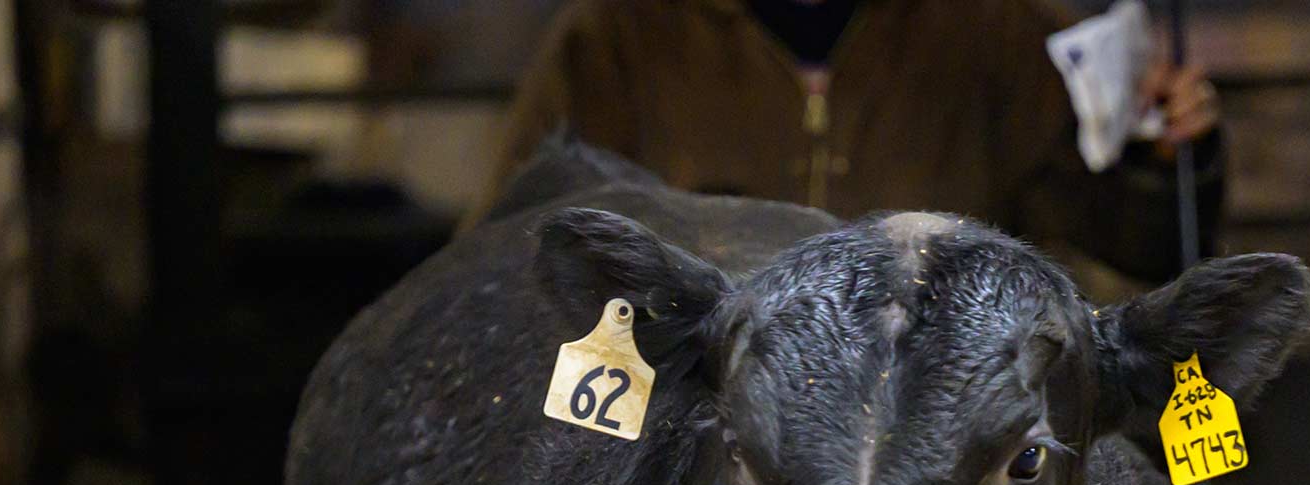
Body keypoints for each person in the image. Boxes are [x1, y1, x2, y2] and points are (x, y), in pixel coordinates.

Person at [483, 0, 1226, 298]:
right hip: (685, 439)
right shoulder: (620, 36)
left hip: (931, 452)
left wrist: (1161, 156)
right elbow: (504, 250)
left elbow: (1141, 246)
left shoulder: (994, 37)